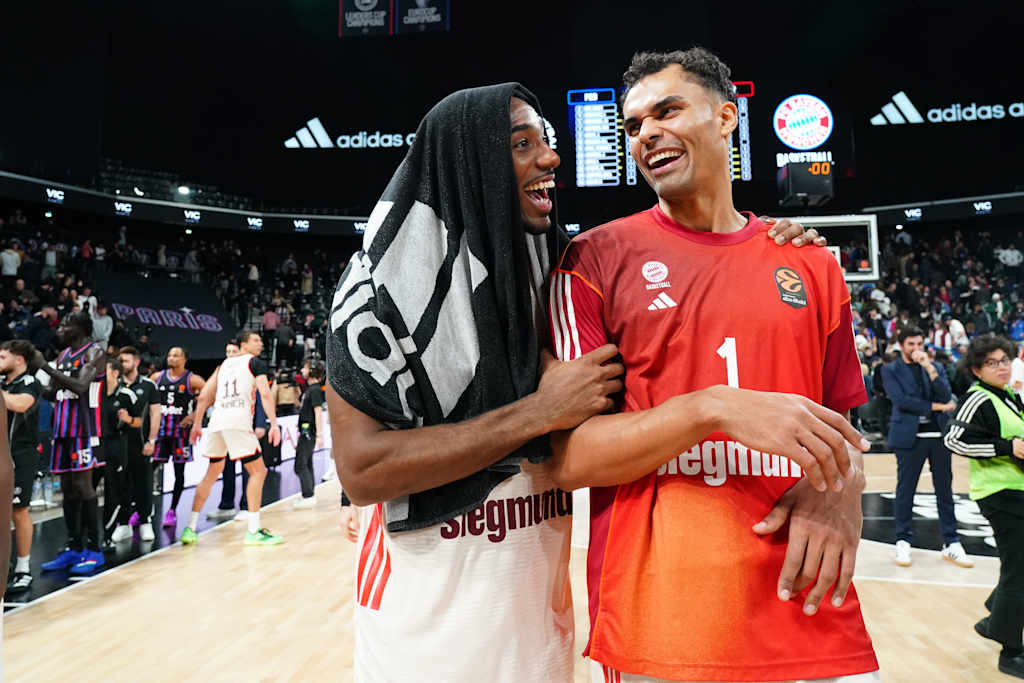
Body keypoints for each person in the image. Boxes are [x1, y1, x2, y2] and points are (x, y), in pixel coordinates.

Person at [326, 82, 841, 682]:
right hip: (422, 610)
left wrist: (780, 245)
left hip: (533, 610)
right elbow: (361, 469)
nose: (550, 158)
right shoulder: (376, 288)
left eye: (545, 141)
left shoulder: (551, 265)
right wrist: (538, 413)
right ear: (470, 163)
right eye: (522, 144)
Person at [546, 48, 877, 682]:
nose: (645, 134)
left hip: (807, 605)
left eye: (667, 111)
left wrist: (844, 489)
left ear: (727, 118)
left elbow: (840, 427)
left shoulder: (811, 264)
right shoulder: (592, 261)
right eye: (633, 124)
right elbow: (570, 459)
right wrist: (713, 407)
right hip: (663, 625)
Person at [942, 335, 1024, 679]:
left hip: (1016, 490)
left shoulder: (1009, 397)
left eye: (1005, 359)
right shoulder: (978, 397)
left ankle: (995, 614)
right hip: (999, 493)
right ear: (977, 369)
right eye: (992, 362)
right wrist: (1008, 447)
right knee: (1018, 572)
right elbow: (954, 439)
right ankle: (1011, 651)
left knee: (1018, 569)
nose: (1002, 366)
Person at [881, 325, 972, 567]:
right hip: (909, 437)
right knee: (905, 489)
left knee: (944, 489)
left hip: (938, 435)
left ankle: (951, 542)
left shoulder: (935, 367)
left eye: (920, 344)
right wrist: (937, 408)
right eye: (911, 344)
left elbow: (945, 395)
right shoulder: (890, 369)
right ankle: (902, 541)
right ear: (901, 345)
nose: (916, 349)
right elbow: (902, 401)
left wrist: (929, 367)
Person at [182, 330, 283, 546]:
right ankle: (254, 530)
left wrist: (198, 424)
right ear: (244, 344)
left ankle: (190, 528)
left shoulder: (223, 365)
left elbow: (204, 397)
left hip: (217, 422)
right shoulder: (255, 363)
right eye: (256, 340)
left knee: (211, 474)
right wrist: (273, 424)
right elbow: (265, 394)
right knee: (258, 471)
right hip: (237, 421)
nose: (261, 344)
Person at [35, 312, 108, 575]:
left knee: (83, 486)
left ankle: (94, 549)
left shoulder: (95, 353)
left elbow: (80, 386)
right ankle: (74, 546)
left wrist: (44, 366)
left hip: (85, 430)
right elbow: (54, 393)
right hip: (62, 430)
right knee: (67, 488)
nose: (61, 329)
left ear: (80, 329)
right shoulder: (64, 356)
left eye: (66, 325)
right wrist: (30, 380)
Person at [0, 340, 41, 593]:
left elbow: (20, 404)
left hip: (20, 455)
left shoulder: (29, 382)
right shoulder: (3, 383)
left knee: (18, 510)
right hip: (2, 454)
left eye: (2, 357)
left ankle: (23, 569)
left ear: (19, 360)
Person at [150, 347, 205, 529]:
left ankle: (172, 510)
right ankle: (142, 509)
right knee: (148, 470)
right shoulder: (157, 377)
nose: (171, 357)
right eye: (170, 354)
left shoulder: (193, 379)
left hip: (180, 433)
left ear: (185, 359)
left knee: (179, 473)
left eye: (176, 355)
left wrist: (195, 416)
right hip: (160, 432)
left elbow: (209, 396)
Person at [118, 346, 161, 541]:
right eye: (120, 361)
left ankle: (145, 521)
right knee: (120, 484)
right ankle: (123, 523)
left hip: (141, 442)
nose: (122, 364)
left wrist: (152, 440)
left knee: (143, 484)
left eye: (125, 361)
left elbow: (155, 414)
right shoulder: (114, 384)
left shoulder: (148, 385)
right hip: (118, 443)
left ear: (136, 362)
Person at [103, 357, 144, 544]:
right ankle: (87, 537)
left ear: (115, 373)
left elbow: (139, 421)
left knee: (114, 490)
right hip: (96, 444)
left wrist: (127, 420)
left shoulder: (127, 395)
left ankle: (108, 534)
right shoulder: (96, 393)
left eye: (104, 370)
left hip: (117, 445)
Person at [292, 359, 324, 508]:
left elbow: (318, 412)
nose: (302, 372)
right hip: (305, 431)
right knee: (307, 463)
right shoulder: (309, 390)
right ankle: (309, 493)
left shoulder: (316, 390)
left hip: (308, 432)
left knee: (300, 464)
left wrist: (320, 435)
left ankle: (308, 495)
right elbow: (300, 404)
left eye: (304, 369)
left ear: (312, 371)